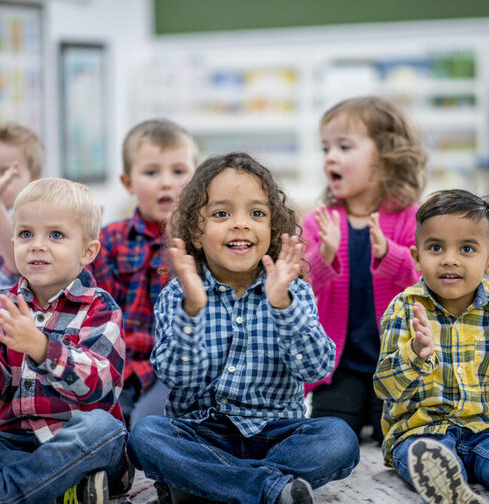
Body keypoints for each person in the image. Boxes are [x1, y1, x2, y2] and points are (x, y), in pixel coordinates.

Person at [127, 152, 359, 504]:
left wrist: (283, 306)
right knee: (146, 435)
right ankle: (266, 489)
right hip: (203, 432)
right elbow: (176, 377)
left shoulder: (293, 290)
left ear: (273, 227)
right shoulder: (180, 292)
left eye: (257, 213)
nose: (241, 224)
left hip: (277, 435)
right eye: (222, 213)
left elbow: (317, 367)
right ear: (195, 230)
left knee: (339, 438)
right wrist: (192, 310)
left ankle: (210, 484)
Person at [0, 178, 130, 504]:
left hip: (69, 438)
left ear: (88, 251)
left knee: (103, 430)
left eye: (55, 235)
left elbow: (98, 385)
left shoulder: (101, 308)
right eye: (25, 234)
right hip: (10, 440)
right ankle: (64, 488)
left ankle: (1, 492)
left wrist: (40, 347)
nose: (37, 245)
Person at [302, 96, 428, 443]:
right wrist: (323, 257)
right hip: (340, 368)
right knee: (331, 432)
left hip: (397, 362)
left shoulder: (411, 219)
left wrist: (391, 254)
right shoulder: (318, 222)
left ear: (386, 158)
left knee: (400, 432)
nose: (330, 156)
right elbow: (298, 289)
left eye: (344, 146)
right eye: (325, 147)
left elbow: (429, 286)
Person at [374, 189, 489, 504]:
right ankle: (447, 485)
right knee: (425, 455)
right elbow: (384, 388)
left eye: (467, 248)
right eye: (436, 247)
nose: (450, 259)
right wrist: (413, 354)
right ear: (417, 258)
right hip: (421, 432)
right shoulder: (404, 308)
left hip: (482, 431)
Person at [89, 118, 197, 428]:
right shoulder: (109, 240)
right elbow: (96, 306)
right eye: (151, 172)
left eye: (178, 171)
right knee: (97, 425)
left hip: (173, 370)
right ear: (127, 182)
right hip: (117, 365)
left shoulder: (204, 242)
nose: (166, 182)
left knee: (148, 426)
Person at [0, 122, 44, 299]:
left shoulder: (28, 217)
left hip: (13, 318)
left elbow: (15, 261)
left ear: (33, 182)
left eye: (5, 173)